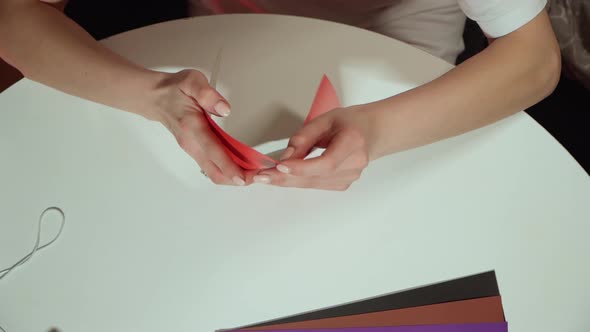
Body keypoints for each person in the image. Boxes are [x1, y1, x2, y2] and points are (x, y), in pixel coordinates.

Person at [0, 0, 561, 191]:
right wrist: (154, 95)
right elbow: (16, 16)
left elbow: (533, 59)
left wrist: (379, 130)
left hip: (412, 102)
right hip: (222, 74)